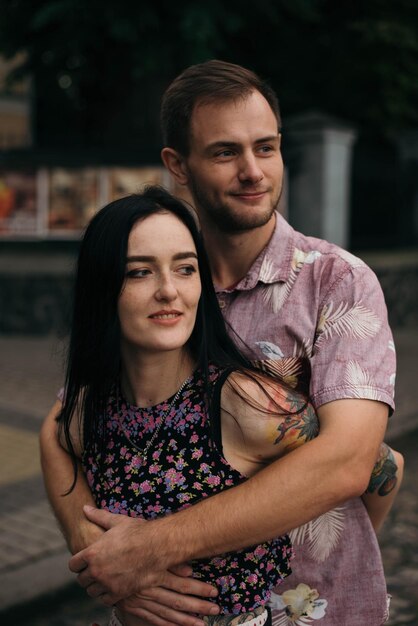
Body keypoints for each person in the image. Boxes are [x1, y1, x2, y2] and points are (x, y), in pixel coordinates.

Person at [40, 61, 401, 625]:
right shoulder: (164, 283)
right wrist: (105, 559)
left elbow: (357, 462)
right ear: (177, 165)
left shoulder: (336, 281)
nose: (253, 171)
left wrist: (153, 546)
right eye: (226, 152)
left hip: (316, 610)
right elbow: (63, 424)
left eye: (266, 147)